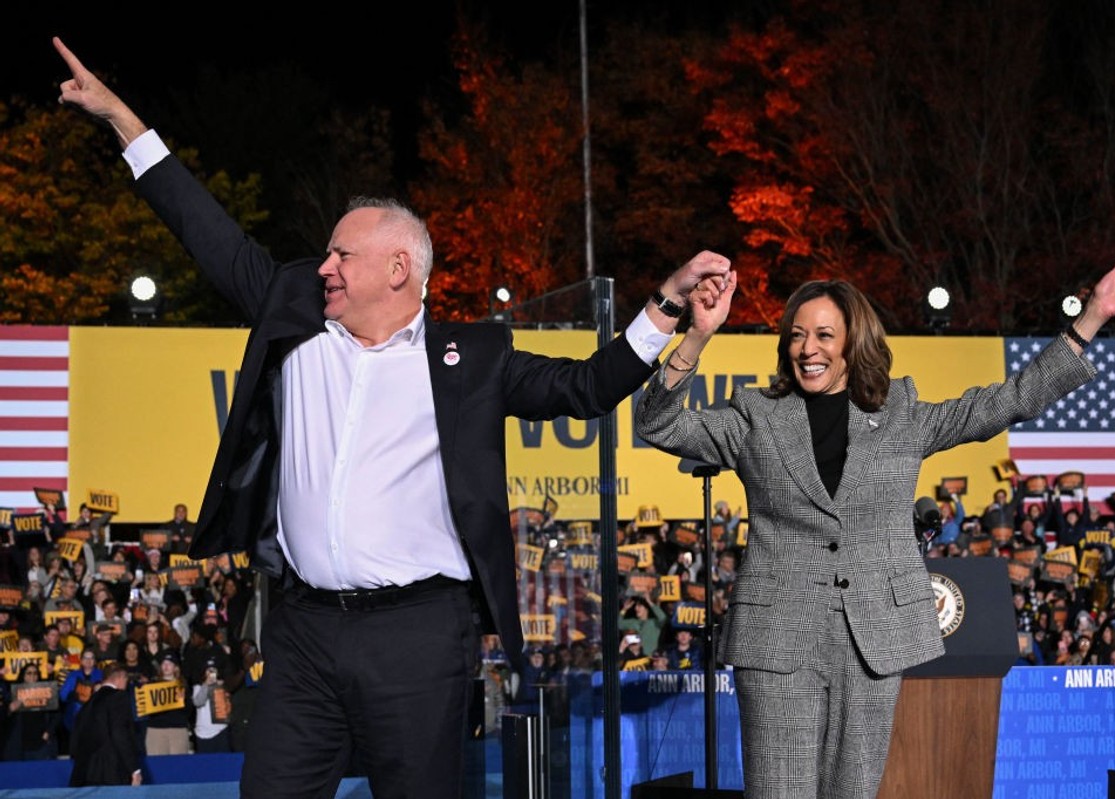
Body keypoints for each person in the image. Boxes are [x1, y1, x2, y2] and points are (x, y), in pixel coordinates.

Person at [54, 36, 731, 799]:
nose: (324, 267)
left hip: (419, 635)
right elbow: (204, 229)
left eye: (342, 255)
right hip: (303, 633)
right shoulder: (298, 316)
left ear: (398, 269)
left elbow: (583, 387)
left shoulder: (472, 357)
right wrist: (119, 118)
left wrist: (668, 303)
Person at [634, 252, 1115, 797]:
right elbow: (655, 423)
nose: (808, 349)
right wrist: (697, 336)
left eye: (824, 335)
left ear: (852, 341)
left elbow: (1010, 399)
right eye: (797, 336)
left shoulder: (902, 416)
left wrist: (1092, 318)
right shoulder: (755, 417)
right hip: (776, 644)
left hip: (873, 641)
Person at [69, 662, 142, 787]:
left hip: (84, 772)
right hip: (111, 772)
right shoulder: (119, 697)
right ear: (120, 678)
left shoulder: (88, 703)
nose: (127, 683)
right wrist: (134, 769)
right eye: (126, 679)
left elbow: (75, 737)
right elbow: (120, 733)